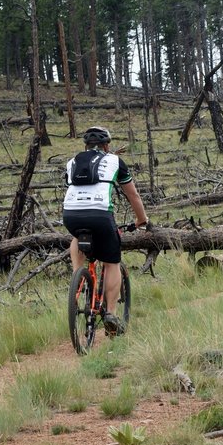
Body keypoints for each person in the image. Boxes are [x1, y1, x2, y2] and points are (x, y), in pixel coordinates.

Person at [63, 126, 148, 336]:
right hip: (100, 214)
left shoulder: (72, 162)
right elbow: (133, 196)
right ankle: (110, 314)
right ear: (107, 145)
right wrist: (141, 219)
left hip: (71, 214)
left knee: (76, 238)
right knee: (112, 262)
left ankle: (78, 278)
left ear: (86, 146)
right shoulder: (114, 161)